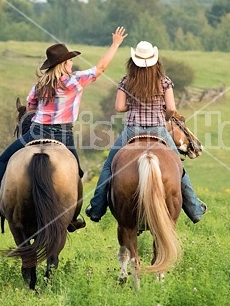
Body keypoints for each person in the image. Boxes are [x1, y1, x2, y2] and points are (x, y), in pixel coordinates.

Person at [0, 27, 128, 225]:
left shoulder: (40, 84)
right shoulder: (74, 81)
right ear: (64, 64)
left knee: (5, 158)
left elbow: (30, 108)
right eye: (70, 60)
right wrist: (115, 44)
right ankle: (73, 216)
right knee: (76, 172)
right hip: (63, 136)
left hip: (36, 132)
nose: (72, 63)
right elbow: (100, 68)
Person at [85, 41, 206, 223]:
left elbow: (119, 107)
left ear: (134, 61)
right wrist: (162, 114)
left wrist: (133, 106)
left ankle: (96, 208)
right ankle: (194, 209)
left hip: (132, 130)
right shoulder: (164, 81)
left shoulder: (127, 81)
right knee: (178, 169)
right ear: (155, 60)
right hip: (158, 129)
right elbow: (172, 108)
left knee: (109, 166)